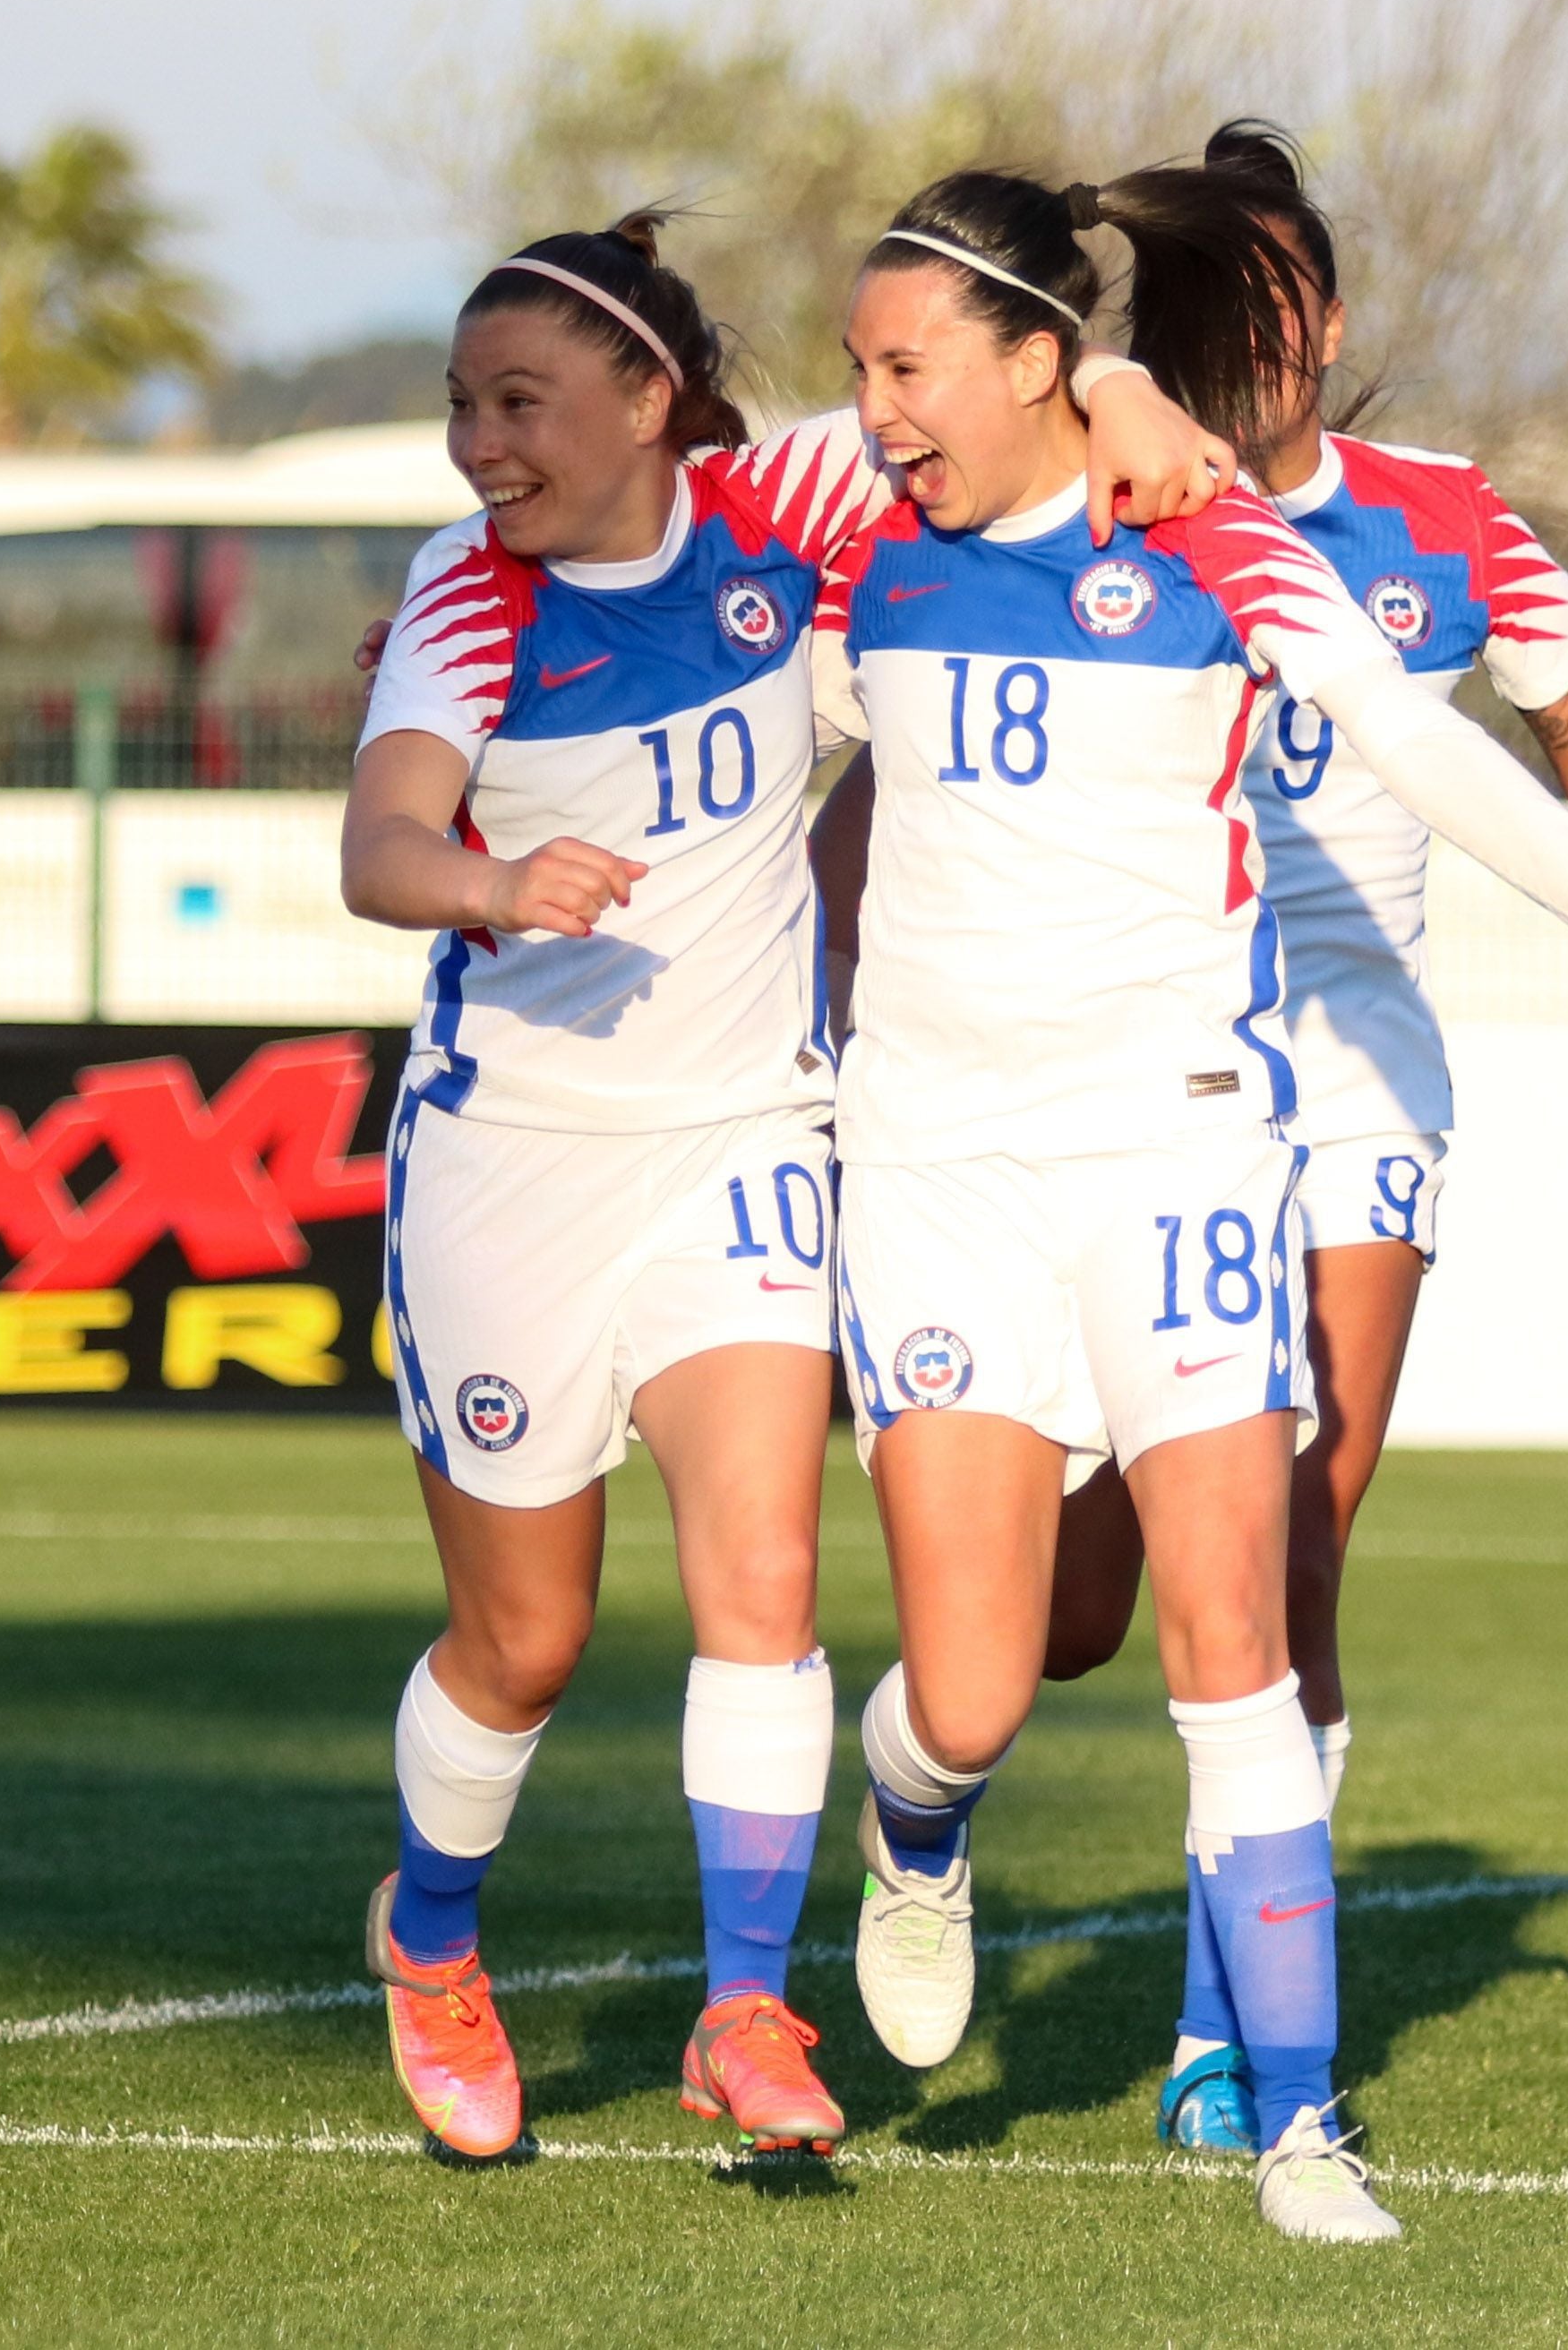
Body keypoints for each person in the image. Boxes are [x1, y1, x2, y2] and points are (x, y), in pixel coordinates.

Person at [916, 126, 1568, 2165]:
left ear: (1328, 322)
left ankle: (1232, 2045)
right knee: (1082, 1609)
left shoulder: (1451, 525)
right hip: (1133, 1059)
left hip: (1354, 1061)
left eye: (1283, 301)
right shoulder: (1092, 502)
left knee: (1302, 1523)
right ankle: (917, 1769)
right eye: (1225, 303)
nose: (1256, 336)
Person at [338, 211, 1230, 2163]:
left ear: (649, 400)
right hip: (509, 1169)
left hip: (746, 1140)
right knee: (529, 1645)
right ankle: (428, 1937)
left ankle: (744, 2005)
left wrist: (1134, 385)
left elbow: (1002, 383)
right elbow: (381, 839)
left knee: (760, 1593)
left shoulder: (780, 506)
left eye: (523, 403)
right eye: (461, 408)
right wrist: (488, 880)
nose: (483, 446)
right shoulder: (464, 598)